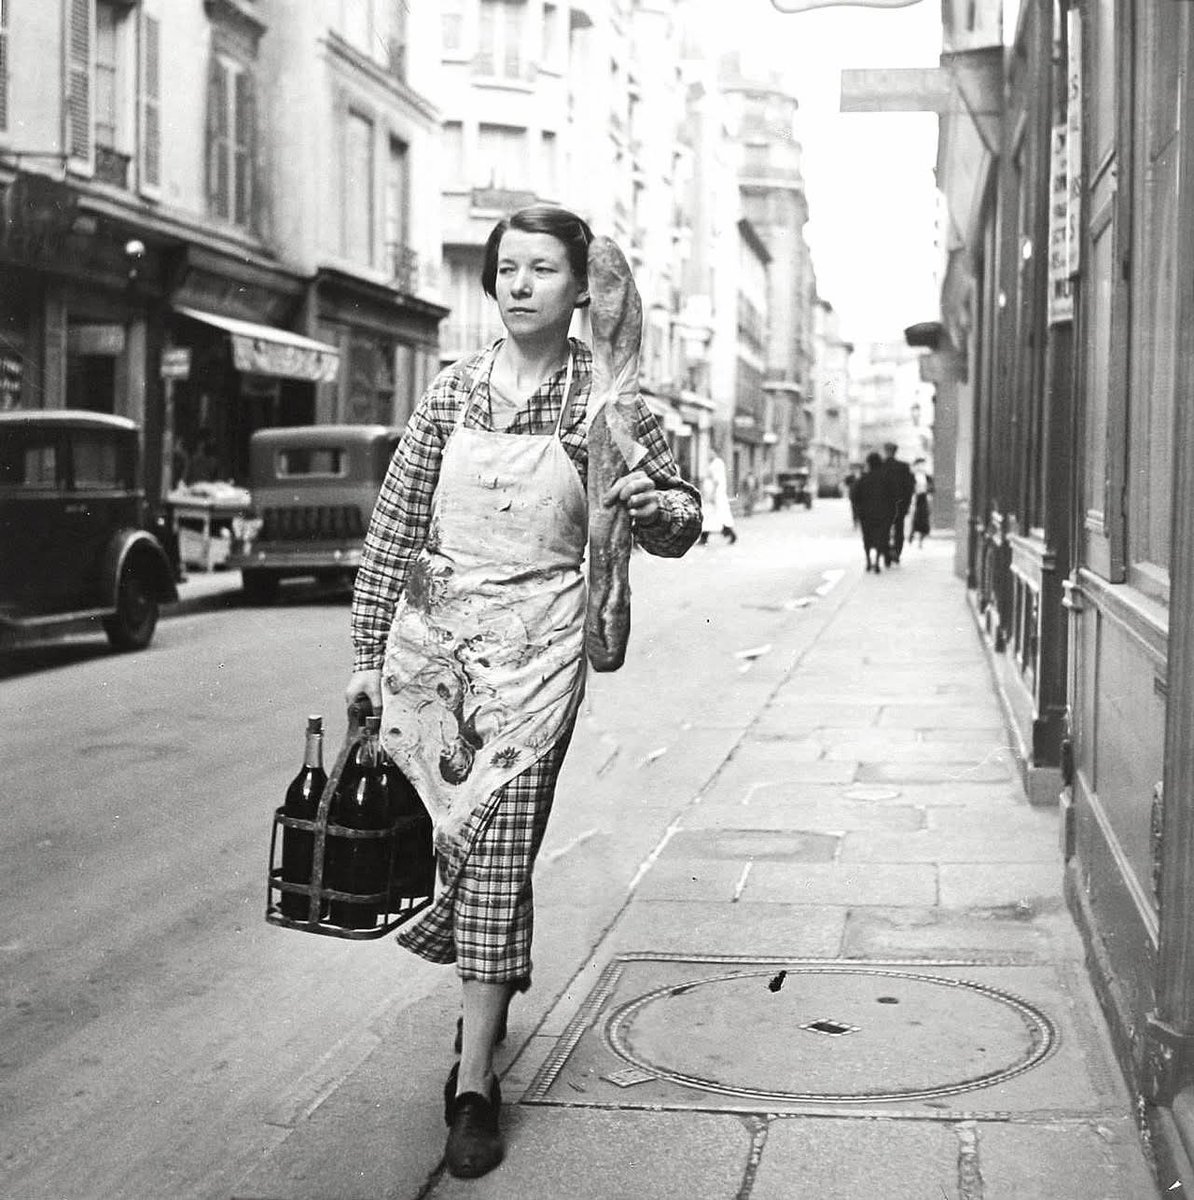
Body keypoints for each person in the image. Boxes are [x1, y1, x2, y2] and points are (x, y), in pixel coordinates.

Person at [344, 205, 701, 1180]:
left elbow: (676, 523)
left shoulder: (612, 400)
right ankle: (487, 1008)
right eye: (507, 268)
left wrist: (656, 506)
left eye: (543, 269)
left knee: (500, 847)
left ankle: (472, 1088)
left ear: (581, 285)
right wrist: (369, 653)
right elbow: (395, 524)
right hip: (436, 661)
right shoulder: (452, 387)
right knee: (458, 850)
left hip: (541, 663)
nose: (519, 284)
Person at [850, 451, 895, 573]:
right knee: (882, 537)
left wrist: (858, 511)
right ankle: (877, 561)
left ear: (869, 463)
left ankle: (868, 560)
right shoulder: (886, 479)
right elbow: (893, 497)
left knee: (867, 537)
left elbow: (854, 496)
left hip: (866, 514)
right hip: (883, 514)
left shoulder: (863, 479)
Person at [879, 441, 915, 564]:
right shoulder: (903, 467)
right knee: (899, 529)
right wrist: (907, 503)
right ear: (895, 452)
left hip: (883, 505)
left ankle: (887, 554)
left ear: (886, 451)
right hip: (899, 504)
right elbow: (910, 487)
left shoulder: (879, 466)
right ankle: (897, 553)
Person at [698, 450, 737, 544]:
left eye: (710, 453)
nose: (708, 455)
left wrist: (712, 495)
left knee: (713, 515)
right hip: (712, 494)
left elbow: (716, 481)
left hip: (715, 496)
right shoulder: (714, 464)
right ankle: (706, 536)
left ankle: (729, 533)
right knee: (711, 516)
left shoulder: (717, 464)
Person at [911, 457, 933, 546]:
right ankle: (911, 535)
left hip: (924, 498)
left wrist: (927, 489)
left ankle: (921, 538)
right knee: (915, 519)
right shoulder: (912, 476)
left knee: (923, 520)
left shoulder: (927, 477)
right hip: (915, 499)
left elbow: (932, 488)